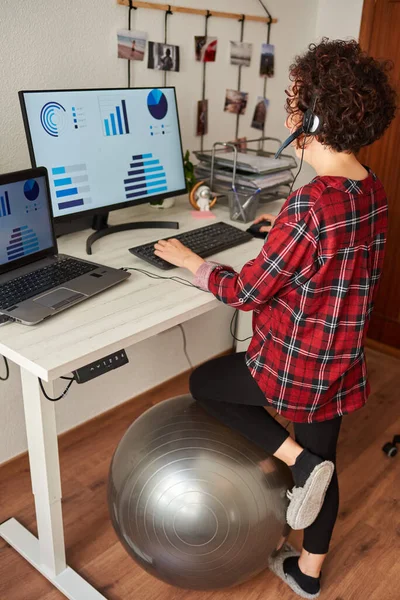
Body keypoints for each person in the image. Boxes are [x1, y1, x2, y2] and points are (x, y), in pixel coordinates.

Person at [154, 39, 396, 598]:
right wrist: (278, 230)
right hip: (340, 365)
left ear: (312, 117)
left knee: (204, 385)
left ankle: (297, 460)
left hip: (294, 366)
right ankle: (307, 576)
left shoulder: (310, 204)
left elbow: (246, 291)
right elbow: (330, 261)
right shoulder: (372, 190)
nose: (288, 112)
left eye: (293, 102)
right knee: (328, 461)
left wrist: (196, 263)